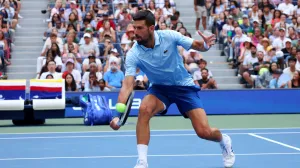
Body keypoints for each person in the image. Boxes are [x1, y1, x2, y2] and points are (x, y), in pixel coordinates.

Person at [109, 10, 235, 168]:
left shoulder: (169, 36)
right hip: (160, 90)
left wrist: (204, 45)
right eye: (134, 28)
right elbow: (127, 85)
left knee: (204, 132)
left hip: (183, 88)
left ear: (151, 28)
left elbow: (196, 45)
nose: (135, 32)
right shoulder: (134, 54)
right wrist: (117, 115)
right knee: (144, 109)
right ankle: (142, 162)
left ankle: (224, 140)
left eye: (140, 28)